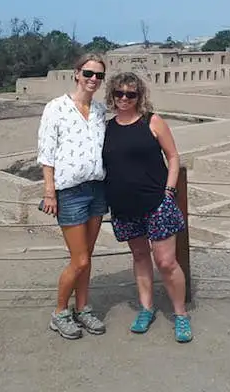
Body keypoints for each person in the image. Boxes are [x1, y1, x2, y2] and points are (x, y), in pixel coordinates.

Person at [102, 71, 193, 343]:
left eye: (131, 94)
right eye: (119, 93)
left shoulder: (152, 122)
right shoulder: (107, 127)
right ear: (112, 95)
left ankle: (181, 315)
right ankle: (146, 308)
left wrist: (169, 191)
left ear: (139, 96)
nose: (124, 98)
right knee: (140, 257)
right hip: (124, 205)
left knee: (165, 262)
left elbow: (173, 156)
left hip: (157, 202)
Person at [37, 53, 109, 340]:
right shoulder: (56, 108)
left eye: (99, 76)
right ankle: (59, 312)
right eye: (89, 73)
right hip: (70, 193)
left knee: (87, 257)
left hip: (97, 190)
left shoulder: (101, 110)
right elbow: (47, 153)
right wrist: (49, 192)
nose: (94, 80)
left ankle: (83, 308)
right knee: (78, 260)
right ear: (77, 73)